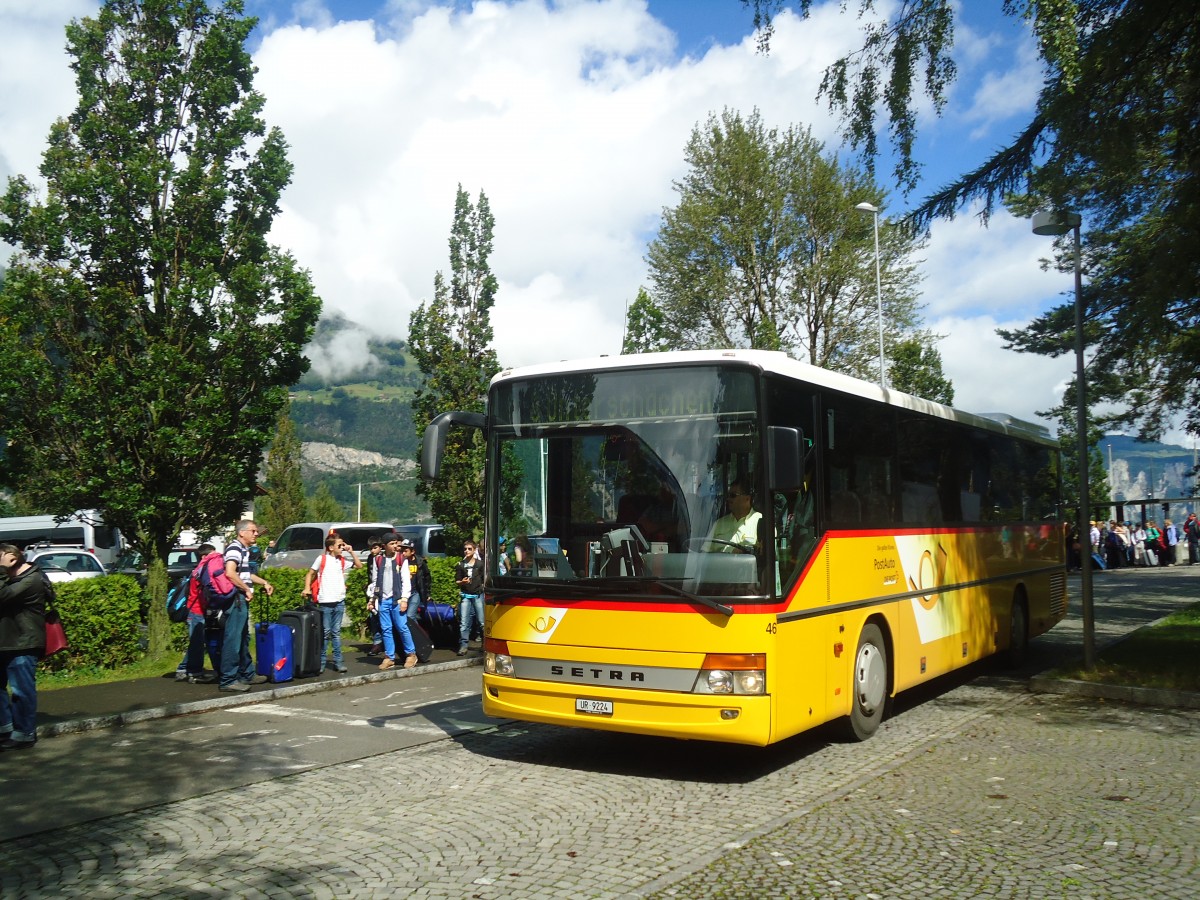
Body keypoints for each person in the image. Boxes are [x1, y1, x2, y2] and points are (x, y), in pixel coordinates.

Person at [0, 544, 48, 750]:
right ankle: (5, 728)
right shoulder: (11, 579)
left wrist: (1, 570)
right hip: (6, 642)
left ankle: (24, 734)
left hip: (23, 643)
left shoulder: (31, 579)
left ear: (12, 558)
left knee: (21, 690)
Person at [219, 520, 275, 693]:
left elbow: (247, 574)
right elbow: (230, 572)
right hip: (236, 599)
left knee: (243, 639)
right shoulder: (235, 548)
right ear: (242, 532)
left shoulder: (243, 550)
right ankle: (228, 679)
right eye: (253, 531)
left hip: (241, 599)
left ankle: (247, 674)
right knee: (233, 639)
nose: (256, 534)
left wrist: (264, 582)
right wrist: (246, 590)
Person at [303, 533, 362, 674]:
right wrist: (306, 588)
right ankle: (322, 662)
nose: (342, 547)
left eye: (342, 545)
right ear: (330, 547)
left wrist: (351, 551)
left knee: (336, 633)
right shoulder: (322, 559)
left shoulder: (341, 560)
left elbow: (359, 566)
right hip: (325, 601)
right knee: (325, 633)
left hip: (339, 600)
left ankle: (338, 662)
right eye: (339, 545)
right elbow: (310, 573)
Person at [175, 543, 218, 684]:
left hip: (197, 611)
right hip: (196, 611)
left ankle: (183, 669)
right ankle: (194, 672)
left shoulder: (199, 571)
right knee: (197, 644)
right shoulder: (201, 572)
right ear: (204, 557)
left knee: (196, 643)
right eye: (212, 555)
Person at [374, 532, 417, 670]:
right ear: (384, 546)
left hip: (397, 599)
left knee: (402, 627)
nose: (395, 546)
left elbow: (406, 581)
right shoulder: (378, 560)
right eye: (391, 544)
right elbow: (375, 581)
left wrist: (404, 599)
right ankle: (389, 657)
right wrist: (373, 599)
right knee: (386, 629)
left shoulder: (401, 559)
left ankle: (411, 654)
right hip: (383, 599)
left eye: (395, 543)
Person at [707, 480, 762, 552]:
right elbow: (704, 554)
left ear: (747, 498)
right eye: (728, 495)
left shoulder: (762, 521)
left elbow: (768, 554)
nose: (728, 499)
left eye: (733, 495)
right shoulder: (719, 523)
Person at [456, 540, 485, 656]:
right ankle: (463, 645)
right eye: (465, 549)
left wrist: (481, 587)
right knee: (464, 622)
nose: (467, 551)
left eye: (469, 549)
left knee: (482, 621)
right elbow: (457, 581)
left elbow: (484, 579)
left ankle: (484, 643)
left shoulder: (479, 564)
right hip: (465, 596)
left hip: (477, 595)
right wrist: (462, 582)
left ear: (474, 550)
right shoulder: (460, 565)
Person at [400, 539, 432, 623]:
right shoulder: (400, 562)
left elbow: (427, 577)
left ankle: (417, 635)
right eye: (402, 551)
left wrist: (427, 593)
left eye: (406, 551)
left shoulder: (420, 562)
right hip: (402, 593)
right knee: (403, 616)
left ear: (412, 551)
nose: (403, 553)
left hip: (415, 592)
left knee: (410, 615)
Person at [365, 535, 385, 654]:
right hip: (372, 591)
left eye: (375, 547)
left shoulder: (383, 558)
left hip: (383, 592)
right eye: (370, 548)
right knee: (374, 617)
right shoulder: (369, 558)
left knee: (383, 617)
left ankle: (387, 643)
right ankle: (377, 643)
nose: (373, 551)